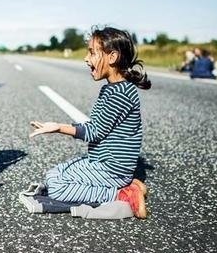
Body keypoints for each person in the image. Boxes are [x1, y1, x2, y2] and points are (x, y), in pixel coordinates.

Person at [23, 27, 150, 219]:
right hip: (101, 162)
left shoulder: (120, 94)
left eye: (92, 53)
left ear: (112, 57)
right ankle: (127, 183)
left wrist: (58, 127)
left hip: (111, 169)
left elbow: (94, 132)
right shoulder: (114, 89)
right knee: (54, 174)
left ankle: (121, 194)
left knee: (56, 187)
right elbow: (98, 126)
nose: (86, 58)